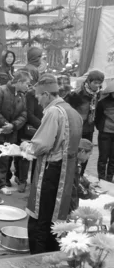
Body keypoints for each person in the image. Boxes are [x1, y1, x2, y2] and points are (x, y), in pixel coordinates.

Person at [21, 74, 82, 254]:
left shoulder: (53, 112)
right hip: (67, 171)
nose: (38, 101)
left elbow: (42, 144)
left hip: (51, 172)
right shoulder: (73, 112)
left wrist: (25, 147)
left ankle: (37, 259)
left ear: (46, 94)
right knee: (57, 217)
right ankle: (53, 254)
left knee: (41, 218)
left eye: (39, 96)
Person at [0, 71, 29, 194]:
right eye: (26, 84)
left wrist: (13, 126)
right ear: (19, 82)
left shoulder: (22, 96)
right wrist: (5, 125)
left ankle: (1, 184)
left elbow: (24, 114)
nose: (28, 87)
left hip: (10, 133)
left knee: (5, 159)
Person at [66, 70, 104, 175]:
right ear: (88, 81)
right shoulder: (77, 94)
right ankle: (72, 176)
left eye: (99, 83)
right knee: (75, 153)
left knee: (86, 153)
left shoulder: (99, 94)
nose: (97, 85)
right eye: (95, 82)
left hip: (89, 128)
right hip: (77, 128)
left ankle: (81, 175)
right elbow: (68, 109)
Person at [14, 80, 45, 193]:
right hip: (29, 129)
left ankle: (34, 181)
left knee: (37, 155)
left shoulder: (48, 96)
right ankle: (22, 181)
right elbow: (29, 113)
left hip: (41, 129)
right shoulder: (31, 95)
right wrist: (42, 124)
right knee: (25, 156)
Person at [95, 80, 114, 181]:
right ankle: (101, 179)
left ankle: (110, 178)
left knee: (113, 159)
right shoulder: (102, 103)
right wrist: (100, 128)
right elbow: (97, 117)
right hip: (105, 133)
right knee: (103, 157)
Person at [70, 139, 96, 212]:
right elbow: (76, 186)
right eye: (89, 154)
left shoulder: (75, 163)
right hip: (68, 205)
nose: (89, 157)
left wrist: (87, 184)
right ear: (82, 151)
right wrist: (90, 194)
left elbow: (79, 177)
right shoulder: (72, 166)